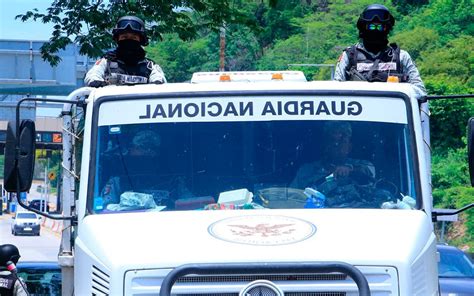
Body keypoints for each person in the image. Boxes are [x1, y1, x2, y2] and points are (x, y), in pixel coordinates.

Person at [334, 4, 426, 97]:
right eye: (372, 27)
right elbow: (336, 90)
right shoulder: (349, 56)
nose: (376, 30)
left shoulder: (401, 56)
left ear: (387, 29)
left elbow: (420, 90)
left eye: (380, 27)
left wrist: (399, 90)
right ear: (363, 28)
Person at [99, 130, 192, 211]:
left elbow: (191, 205)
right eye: (134, 147)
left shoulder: (173, 181)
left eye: (136, 147)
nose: (131, 150)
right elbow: (105, 208)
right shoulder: (118, 180)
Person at [291, 122, 376, 206]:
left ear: (350, 146)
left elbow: (369, 172)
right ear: (325, 144)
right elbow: (292, 198)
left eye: (342, 141)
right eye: (332, 140)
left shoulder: (364, 166)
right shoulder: (306, 171)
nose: (336, 144)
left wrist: (350, 169)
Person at [84, 15, 166, 87]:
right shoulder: (106, 62)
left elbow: (159, 80)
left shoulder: (150, 66)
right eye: (124, 37)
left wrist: (157, 84)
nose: (129, 41)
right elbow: (92, 76)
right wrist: (97, 83)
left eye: (133, 38)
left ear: (141, 40)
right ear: (117, 39)